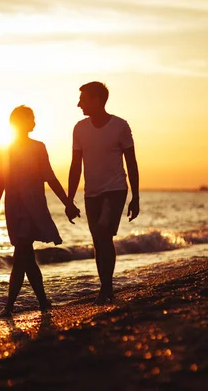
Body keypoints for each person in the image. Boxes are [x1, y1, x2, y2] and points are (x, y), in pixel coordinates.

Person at [0, 105, 80, 315]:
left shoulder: (38, 147)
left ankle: (9, 306)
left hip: (32, 208)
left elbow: (50, 178)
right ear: (20, 123)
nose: (34, 123)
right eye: (31, 119)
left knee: (22, 254)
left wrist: (67, 202)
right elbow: (0, 182)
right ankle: (43, 302)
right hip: (14, 208)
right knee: (26, 256)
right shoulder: (4, 149)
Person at [66, 81, 140, 304]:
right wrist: (69, 200)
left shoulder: (120, 126)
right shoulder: (79, 128)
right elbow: (75, 165)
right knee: (98, 240)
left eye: (83, 99)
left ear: (97, 100)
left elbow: (132, 162)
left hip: (115, 189)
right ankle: (106, 287)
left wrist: (135, 197)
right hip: (92, 193)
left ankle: (106, 289)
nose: (79, 104)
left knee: (104, 234)